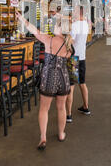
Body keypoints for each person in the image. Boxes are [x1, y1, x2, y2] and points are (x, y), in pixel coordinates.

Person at [15, 10, 73, 150]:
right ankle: (61, 134)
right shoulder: (70, 43)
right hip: (63, 77)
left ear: (59, 28)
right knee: (61, 107)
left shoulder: (49, 39)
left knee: (44, 108)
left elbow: (34, 30)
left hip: (49, 77)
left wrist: (22, 19)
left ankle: (43, 137)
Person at [66, 6, 90, 123]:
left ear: (78, 12)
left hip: (73, 58)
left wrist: (66, 36)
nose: (73, 13)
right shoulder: (85, 24)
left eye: (74, 11)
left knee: (71, 86)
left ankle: (69, 114)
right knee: (82, 83)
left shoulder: (75, 26)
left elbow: (71, 41)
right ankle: (86, 107)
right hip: (82, 57)